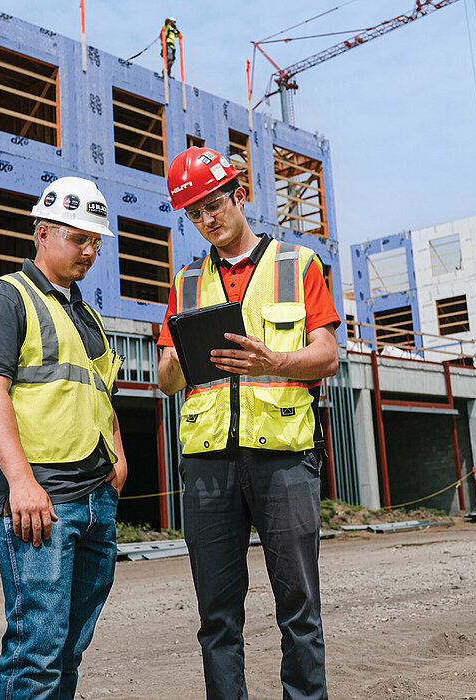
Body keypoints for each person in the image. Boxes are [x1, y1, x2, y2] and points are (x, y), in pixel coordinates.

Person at [157, 146, 340, 700]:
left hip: (283, 458)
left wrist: (275, 362)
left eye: (214, 204)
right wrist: (178, 361)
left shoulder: (298, 265)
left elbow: (328, 356)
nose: (208, 220)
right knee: (216, 616)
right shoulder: (186, 282)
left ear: (239, 194)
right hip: (210, 463)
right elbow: (166, 378)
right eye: (195, 214)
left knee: (299, 610)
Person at [0, 176, 127, 699]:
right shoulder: (7, 298)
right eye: (79, 238)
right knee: (37, 650)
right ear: (43, 232)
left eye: (96, 240)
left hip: (94, 498)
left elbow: (100, 395)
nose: (90, 250)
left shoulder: (85, 315)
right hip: (40, 500)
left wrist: (117, 464)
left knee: (69, 647)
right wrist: (20, 483)